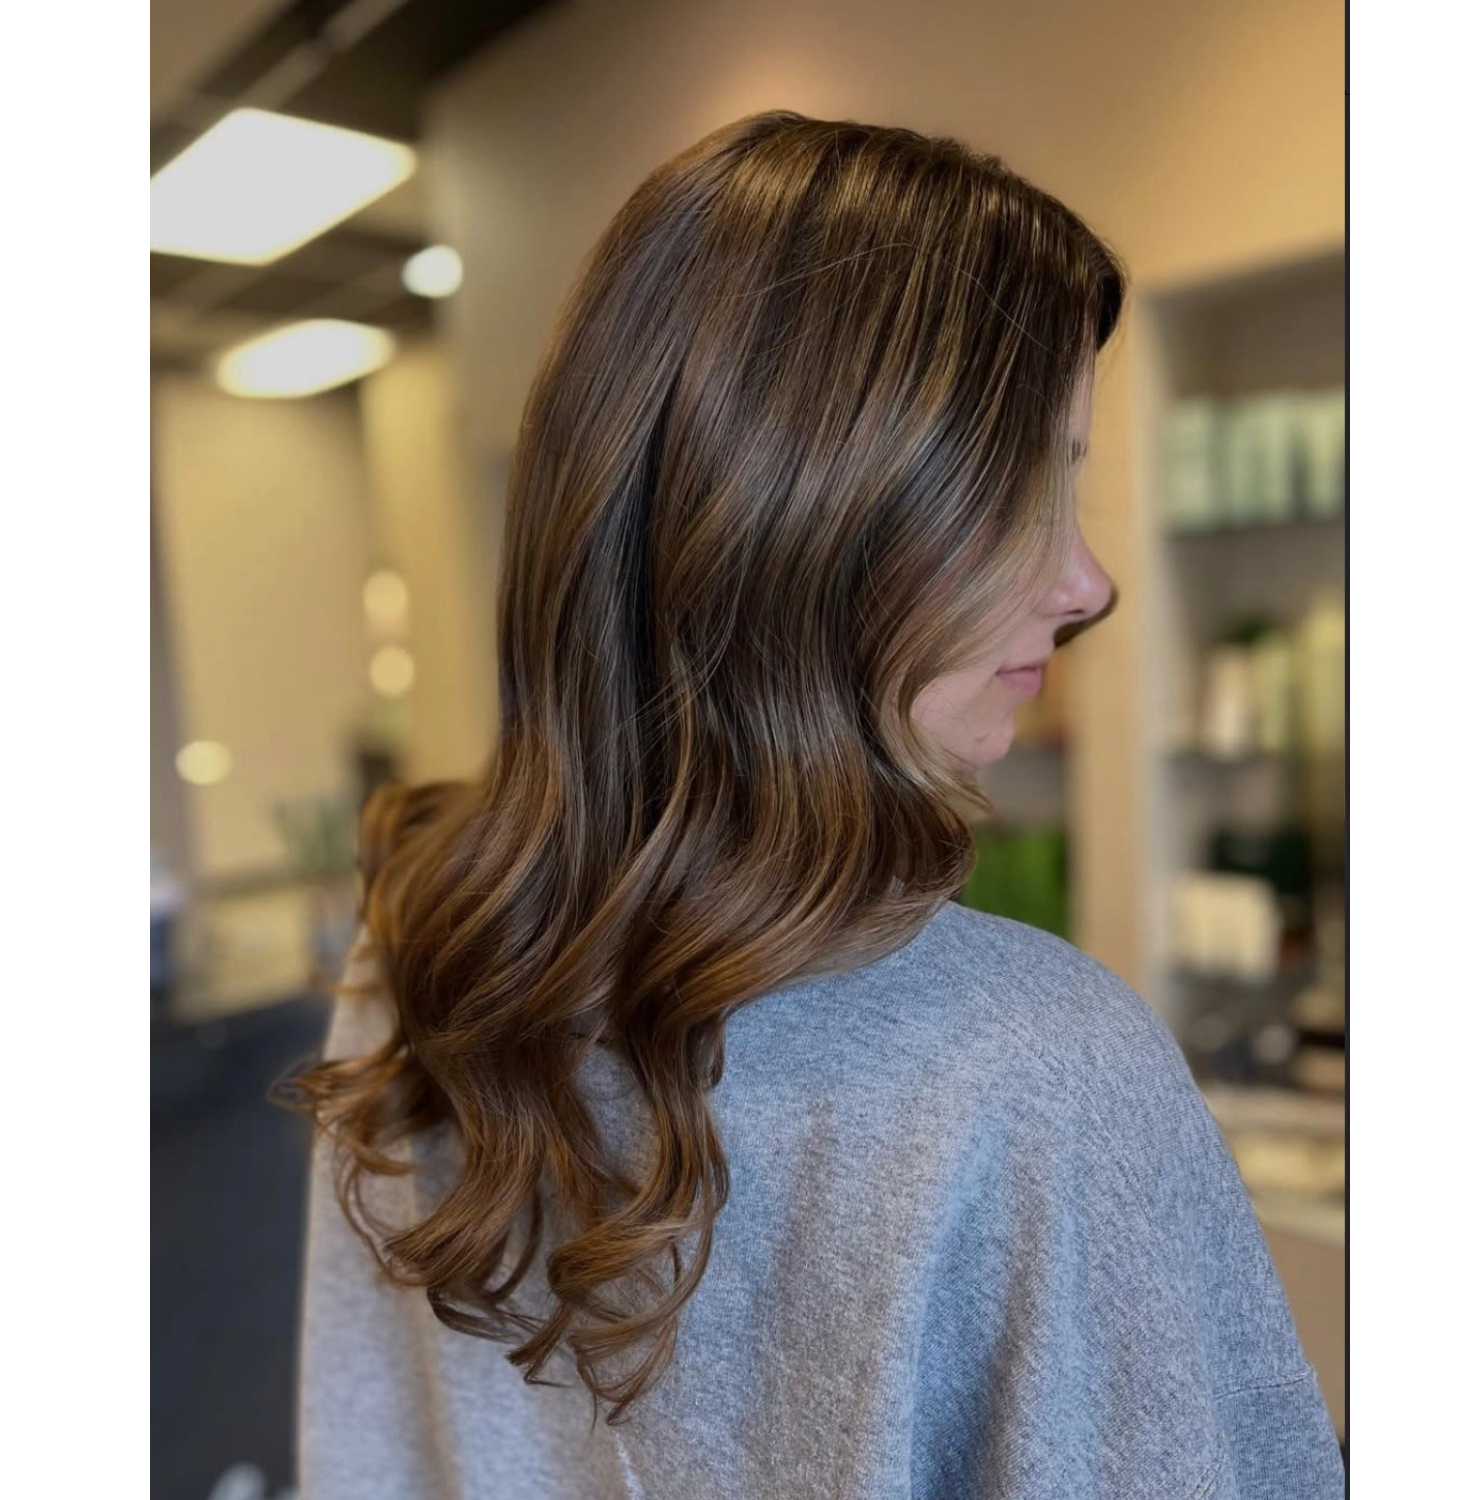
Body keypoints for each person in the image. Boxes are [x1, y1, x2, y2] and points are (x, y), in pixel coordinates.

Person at [292, 111, 1345, 1499]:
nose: (1088, 584)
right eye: (1030, 488)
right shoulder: (1042, 1071)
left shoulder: (430, 935)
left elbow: (366, 1449)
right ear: (809, 519)